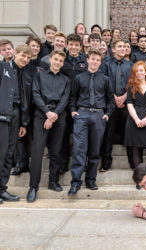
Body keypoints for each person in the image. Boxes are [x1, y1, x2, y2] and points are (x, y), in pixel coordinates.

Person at [68, 49, 115, 196]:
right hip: (81, 114)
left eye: (97, 60)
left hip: (98, 116)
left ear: (100, 62)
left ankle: (91, 179)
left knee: (95, 150)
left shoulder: (105, 79)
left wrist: (107, 114)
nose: (94, 62)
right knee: (79, 149)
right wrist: (73, 111)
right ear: (87, 60)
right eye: (92, 59)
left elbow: (111, 100)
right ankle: (76, 182)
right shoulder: (79, 78)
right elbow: (72, 97)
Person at [26, 50, 71, 202]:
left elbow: (65, 99)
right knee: (37, 151)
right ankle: (33, 187)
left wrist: (54, 115)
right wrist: (47, 113)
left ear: (63, 63)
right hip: (41, 115)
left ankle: (53, 181)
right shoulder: (39, 75)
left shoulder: (66, 79)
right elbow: (35, 94)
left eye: (60, 60)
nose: (58, 62)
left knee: (57, 150)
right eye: (56, 59)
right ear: (50, 59)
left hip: (59, 116)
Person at [0, 44, 32, 203]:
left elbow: (25, 101)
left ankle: (2, 189)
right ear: (15, 53)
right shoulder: (3, 67)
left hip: (16, 116)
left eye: (28, 57)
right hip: (2, 115)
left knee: (8, 155)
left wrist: (23, 123)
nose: (25, 59)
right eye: (23, 55)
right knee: (1, 153)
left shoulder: (25, 75)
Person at [100, 39, 135, 170]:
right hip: (110, 103)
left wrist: (124, 97)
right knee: (108, 134)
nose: (122, 49)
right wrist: (114, 97)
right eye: (119, 46)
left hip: (126, 104)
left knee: (129, 133)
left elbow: (133, 83)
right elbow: (104, 81)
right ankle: (106, 162)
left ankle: (132, 161)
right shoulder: (105, 64)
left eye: (124, 47)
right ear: (113, 49)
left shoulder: (130, 65)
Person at [12, 36, 42, 176]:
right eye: (32, 46)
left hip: (33, 106)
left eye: (37, 46)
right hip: (17, 108)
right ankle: (20, 162)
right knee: (20, 137)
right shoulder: (15, 68)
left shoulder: (42, 64)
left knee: (31, 136)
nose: (35, 48)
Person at [59, 34, 88, 174]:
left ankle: (82, 164)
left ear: (81, 46)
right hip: (63, 102)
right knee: (64, 134)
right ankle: (63, 163)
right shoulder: (62, 60)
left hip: (80, 102)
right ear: (67, 45)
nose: (74, 47)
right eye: (71, 44)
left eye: (77, 45)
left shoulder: (85, 61)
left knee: (81, 136)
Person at [125, 61, 146, 169]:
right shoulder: (131, 87)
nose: (139, 73)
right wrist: (136, 119)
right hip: (134, 120)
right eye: (136, 71)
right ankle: (141, 180)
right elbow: (129, 104)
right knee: (136, 151)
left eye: (141, 70)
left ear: (145, 72)